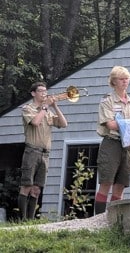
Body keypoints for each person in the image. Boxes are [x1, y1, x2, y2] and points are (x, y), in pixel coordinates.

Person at [18, 82, 68, 220]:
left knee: (36, 189)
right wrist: (45, 107)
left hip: (45, 153)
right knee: (26, 186)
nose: (44, 93)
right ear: (33, 93)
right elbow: (35, 122)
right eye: (40, 91)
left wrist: (55, 106)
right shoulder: (28, 109)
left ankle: (30, 220)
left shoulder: (47, 111)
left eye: (45, 91)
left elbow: (64, 124)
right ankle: (22, 220)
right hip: (32, 151)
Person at [94, 66, 130, 215]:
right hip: (112, 143)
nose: (125, 82)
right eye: (121, 79)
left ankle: (114, 218)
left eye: (127, 78)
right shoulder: (107, 101)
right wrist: (129, 125)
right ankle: (100, 217)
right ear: (113, 81)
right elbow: (110, 124)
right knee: (106, 181)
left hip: (127, 146)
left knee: (121, 184)